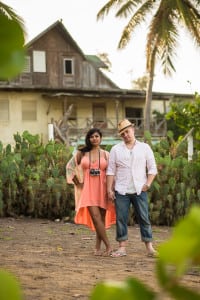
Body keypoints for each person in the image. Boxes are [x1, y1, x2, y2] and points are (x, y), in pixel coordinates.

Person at [106, 119, 158, 257]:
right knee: (121, 219)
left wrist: (148, 183)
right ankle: (122, 248)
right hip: (121, 190)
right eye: (122, 134)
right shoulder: (115, 149)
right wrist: (109, 190)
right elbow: (110, 171)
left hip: (140, 189)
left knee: (144, 217)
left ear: (133, 130)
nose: (126, 135)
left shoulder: (144, 148)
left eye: (127, 132)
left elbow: (152, 168)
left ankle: (149, 247)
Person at [66, 128, 115, 256]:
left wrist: (111, 189)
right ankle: (109, 246)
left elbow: (112, 171)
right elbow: (69, 167)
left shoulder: (106, 154)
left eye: (97, 136)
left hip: (103, 188)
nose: (94, 138)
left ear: (100, 138)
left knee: (101, 220)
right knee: (96, 217)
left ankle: (97, 248)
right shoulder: (82, 153)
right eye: (92, 136)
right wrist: (77, 182)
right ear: (88, 139)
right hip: (88, 189)